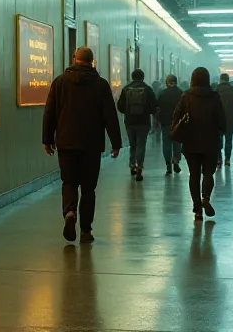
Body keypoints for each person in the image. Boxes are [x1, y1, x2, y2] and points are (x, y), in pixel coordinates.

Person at [43, 46, 123, 244]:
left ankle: (69, 213)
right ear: (92, 61)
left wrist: (47, 139)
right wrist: (116, 142)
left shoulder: (60, 82)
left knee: (69, 182)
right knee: (88, 188)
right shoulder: (101, 85)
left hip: (66, 143)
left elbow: (50, 112)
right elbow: (110, 116)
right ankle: (86, 230)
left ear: (73, 59)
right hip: (91, 145)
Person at [170, 67, 226, 222]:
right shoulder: (214, 97)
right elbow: (222, 120)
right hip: (211, 142)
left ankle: (197, 208)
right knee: (208, 173)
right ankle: (206, 198)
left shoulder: (186, 96)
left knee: (194, 175)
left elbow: (177, 116)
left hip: (191, 142)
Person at [117, 68, 158, 181]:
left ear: (132, 77)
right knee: (141, 144)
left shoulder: (126, 89)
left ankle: (132, 165)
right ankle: (139, 167)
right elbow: (154, 106)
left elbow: (120, 106)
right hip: (143, 122)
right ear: (143, 77)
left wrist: (128, 111)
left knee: (133, 144)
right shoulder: (148, 89)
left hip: (130, 122)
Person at [156, 74, 184, 175]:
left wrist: (158, 121)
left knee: (166, 144)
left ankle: (168, 164)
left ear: (167, 82)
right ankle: (176, 161)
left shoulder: (162, 93)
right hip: (178, 123)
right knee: (177, 144)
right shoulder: (181, 93)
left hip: (165, 123)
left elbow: (157, 108)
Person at [216, 73, 233, 166]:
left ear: (220, 80)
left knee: (217, 139)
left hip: (217, 119)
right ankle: (227, 159)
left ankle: (219, 159)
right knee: (229, 139)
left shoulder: (215, 91)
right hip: (230, 119)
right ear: (228, 80)